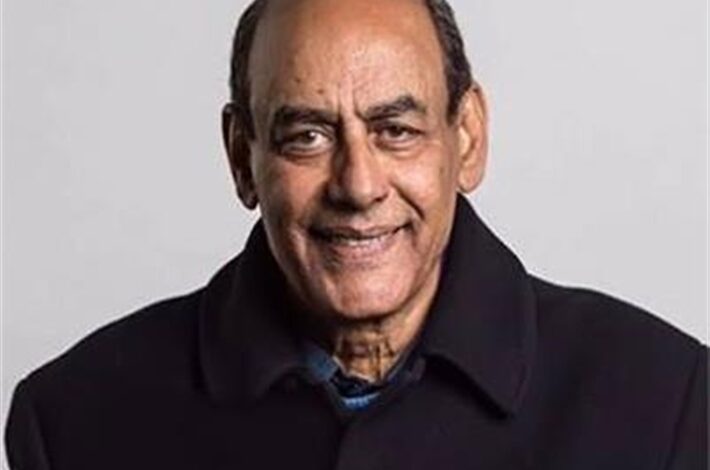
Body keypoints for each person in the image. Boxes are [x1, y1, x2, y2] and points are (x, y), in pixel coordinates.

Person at [5, 0, 707, 468]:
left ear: (466, 138)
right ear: (242, 158)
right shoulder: (73, 424)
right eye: (307, 136)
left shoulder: (668, 401)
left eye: (395, 129)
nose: (358, 185)